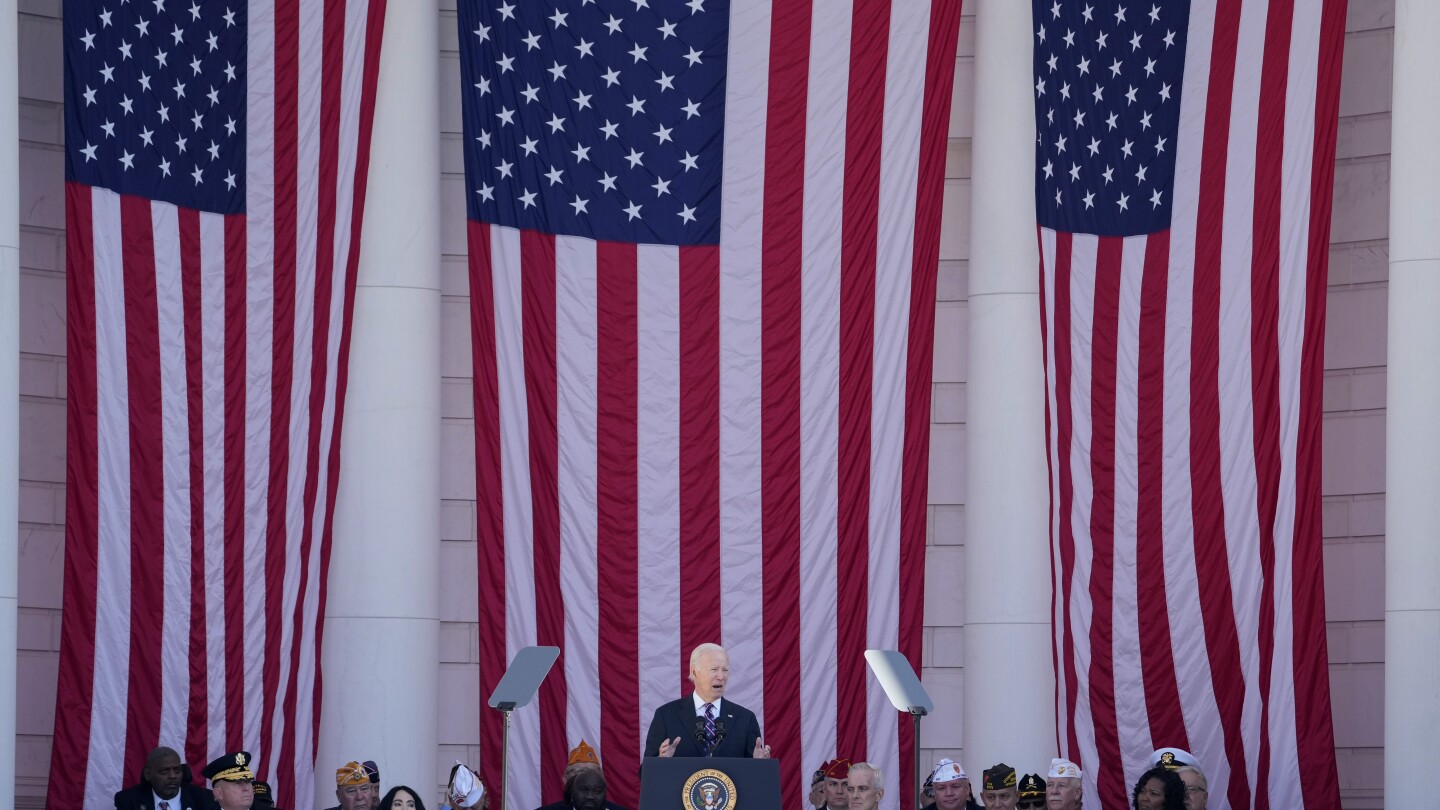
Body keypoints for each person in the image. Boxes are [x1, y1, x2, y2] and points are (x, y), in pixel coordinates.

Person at [643, 644, 769, 758]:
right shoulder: (666, 716)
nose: (721, 677)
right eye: (714, 669)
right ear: (694, 671)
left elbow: (757, 777)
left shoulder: (745, 719)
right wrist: (660, 761)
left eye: (725, 670)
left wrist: (759, 764)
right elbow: (646, 774)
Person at [115, 746, 218, 810]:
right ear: (148, 774)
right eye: (164, 772)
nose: (173, 776)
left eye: (177, 770)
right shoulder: (128, 800)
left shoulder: (205, 799)